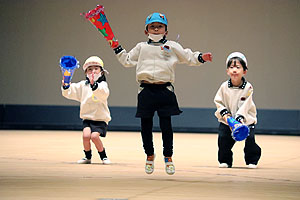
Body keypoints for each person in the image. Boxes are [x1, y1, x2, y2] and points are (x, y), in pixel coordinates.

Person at [112, 12, 212, 175]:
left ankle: (168, 157)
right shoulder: (141, 47)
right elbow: (127, 60)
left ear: (166, 30)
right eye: (152, 27)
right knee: (146, 126)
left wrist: (201, 57)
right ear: (146, 31)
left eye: (160, 27)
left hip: (165, 90)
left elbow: (187, 56)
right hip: (146, 91)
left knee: (166, 126)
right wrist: (117, 48)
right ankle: (149, 155)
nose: (156, 29)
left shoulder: (172, 46)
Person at [214, 52, 261, 169]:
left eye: (238, 67)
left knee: (250, 140)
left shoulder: (248, 87)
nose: (234, 70)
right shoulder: (224, 86)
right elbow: (218, 101)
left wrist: (239, 118)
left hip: (246, 120)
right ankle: (225, 161)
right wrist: (226, 115)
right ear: (227, 71)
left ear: (244, 71)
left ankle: (252, 160)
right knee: (223, 140)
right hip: (227, 120)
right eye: (231, 67)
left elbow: (246, 104)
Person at [61, 56, 111, 165]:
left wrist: (94, 85)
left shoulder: (103, 85)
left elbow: (103, 93)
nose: (93, 71)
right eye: (89, 69)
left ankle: (104, 156)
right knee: (86, 136)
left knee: (94, 136)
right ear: (85, 72)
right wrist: (66, 85)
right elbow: (70, 91)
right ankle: (87, 157)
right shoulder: (82, 85)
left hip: (100, 119)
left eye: (96, 69)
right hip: (87, 118)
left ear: (101, 72)